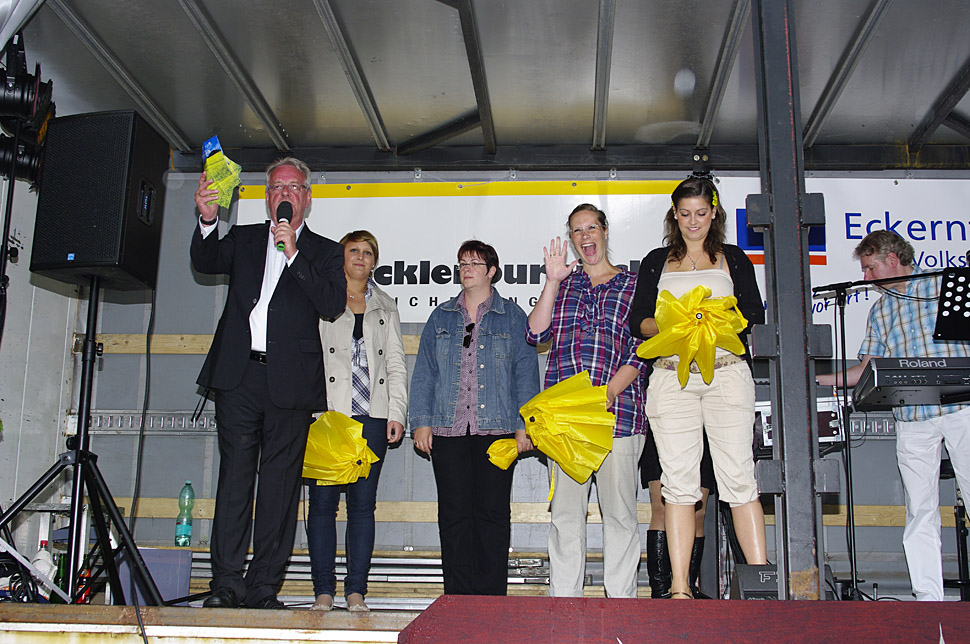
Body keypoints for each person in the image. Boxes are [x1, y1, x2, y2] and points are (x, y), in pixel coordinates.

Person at [191, 157, 346, 609]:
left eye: (294, 187)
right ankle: (226, 583)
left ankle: (262, 588)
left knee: (279, 487)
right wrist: (207, 219)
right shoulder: (242, 238)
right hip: (238, 377)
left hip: (290, 384)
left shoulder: (324, 251)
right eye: (277, 187)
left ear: (307, 199)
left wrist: (293, 253)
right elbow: (205, 260)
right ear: (266, 196)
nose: (285, 194)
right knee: (234, 480)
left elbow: (332, 303)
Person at [629, 176, 767, 599]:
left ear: (714, 213)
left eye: (701, 213)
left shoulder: (733, 258)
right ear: (674, 214)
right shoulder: (656, 261)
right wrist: (673, 324)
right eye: (685, 213)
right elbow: (638, 322)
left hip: (726, 373)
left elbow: (754, 316)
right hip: (672, 377)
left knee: (739, 480)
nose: (693, 221)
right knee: (678, 486)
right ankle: (679, 589)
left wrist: (716, 319)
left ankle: (762, 585)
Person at [817, 229, 970, 601]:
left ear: (891, 259)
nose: (866, 277)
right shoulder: (881, 310)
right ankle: (928, 599)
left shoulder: (943, 287)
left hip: (961, 407)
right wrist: (820, 380)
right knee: (919, 510)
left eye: (870, 268)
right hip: (912, 417)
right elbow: (866, 369)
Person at [527, 204, 647, 598]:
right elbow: (535, 334)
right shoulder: (564, 284)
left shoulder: (633, 285)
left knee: (621, 517)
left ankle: (621, 605)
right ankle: (564, 605)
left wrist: (609, 392)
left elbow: (643, 350)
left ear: (605, 231)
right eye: (577, 231)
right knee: (565, 517)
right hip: (566, 422)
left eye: (591, 227)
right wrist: (552, 282)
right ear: (572, 240)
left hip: (619, 418)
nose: (585, 236)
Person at [409, 240, 540, 596]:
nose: (466, 269)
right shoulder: (441, 317)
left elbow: (525, 373)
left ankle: (490, 600)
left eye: (475, 263)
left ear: (492, 271)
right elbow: (424, 372)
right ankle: (457, 597)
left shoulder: (512, 316)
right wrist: (421, 421)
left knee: (492, 515)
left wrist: (524, 425)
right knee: (453, 515)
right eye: (462, 263)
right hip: (447, 430)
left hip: (496, 430)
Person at [307, 230, 407, 612]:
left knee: (363, 507)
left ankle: (356, 592)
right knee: (322, 505)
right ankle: (323, 591)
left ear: (374, 261)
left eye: (368, 252)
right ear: (342, 257)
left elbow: (396, 363)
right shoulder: (323, 298)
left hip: (372, 416)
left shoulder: (386, 304)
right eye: (354, 251)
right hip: (330, 415)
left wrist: (396, 413)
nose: (361, 258)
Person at [639, 431, 715, 599]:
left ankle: (688, 586)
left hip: (702, 431)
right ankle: (660, 590)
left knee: (698, 513)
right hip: (664, 430)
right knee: (661, 508)